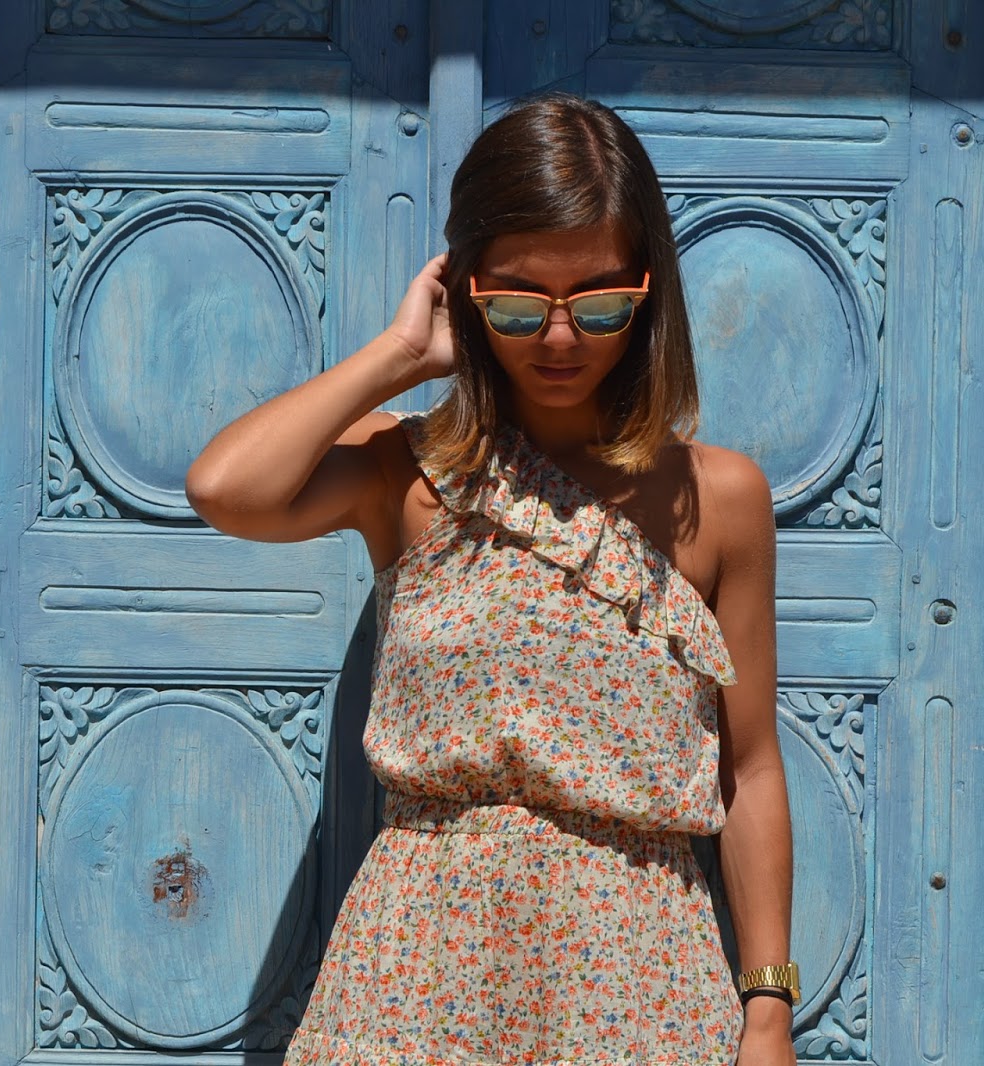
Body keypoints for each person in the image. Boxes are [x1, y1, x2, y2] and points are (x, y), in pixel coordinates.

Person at [186, 93, 795, 1066]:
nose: (558, 339)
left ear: (648, 294)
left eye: (598, 304)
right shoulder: (407, 472)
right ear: (464, 289)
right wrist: (397, 356)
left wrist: (767, 1006)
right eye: (516, 303)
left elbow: (750, 767)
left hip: (635, 982)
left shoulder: (714, 500)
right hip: (416, 972)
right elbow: (226, 489)